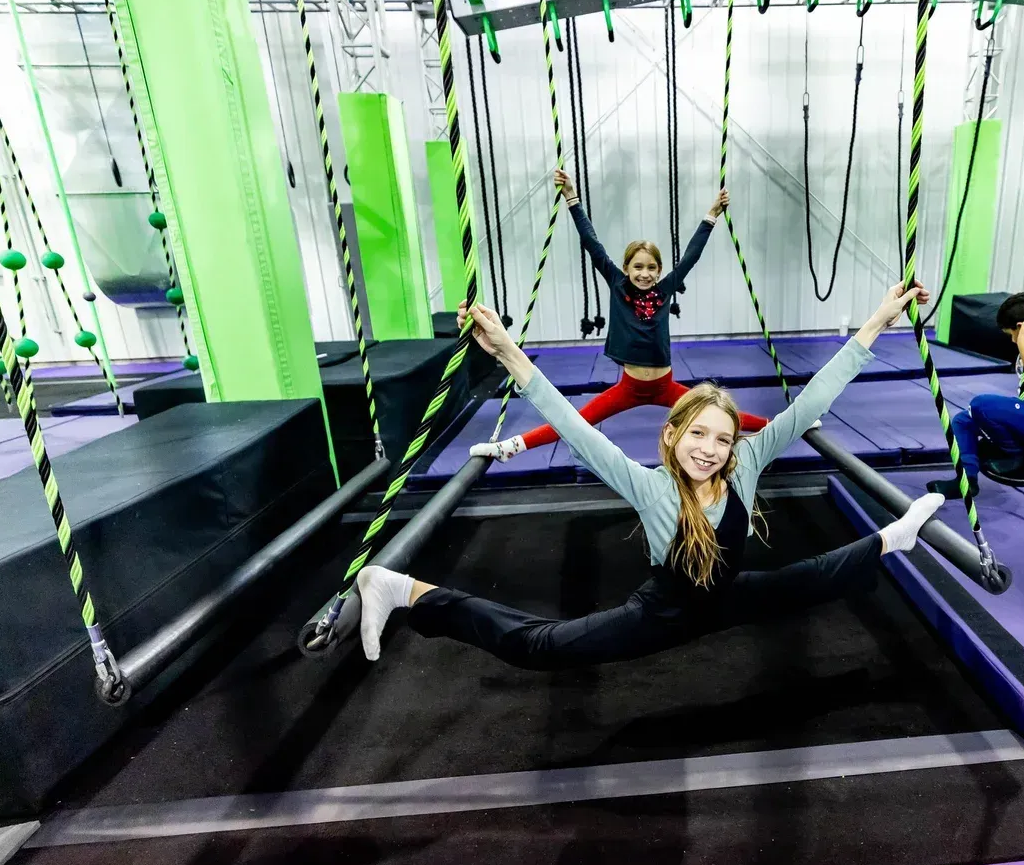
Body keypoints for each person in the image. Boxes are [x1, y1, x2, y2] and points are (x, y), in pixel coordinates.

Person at [357, 281, 947, 669]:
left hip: (723, 599)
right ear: (671, 434)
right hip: (660, 613)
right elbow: (572, 424)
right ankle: (402, 589)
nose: (710, 449)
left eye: (722, 438)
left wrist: (876, 321)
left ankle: (897, 535)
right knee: (537, 646)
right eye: (697, 435)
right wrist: (509, 352)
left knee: (811, 577)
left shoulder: (747, 467)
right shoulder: (650, 486)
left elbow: (814, 400)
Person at [469, 169, 768, 461]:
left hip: (666, 387)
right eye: (638, 267)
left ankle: (779, 426)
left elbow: (691, 256)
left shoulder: (664, 292)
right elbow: (592, 244)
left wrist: (711, 215)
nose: (645, 273)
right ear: (626, 269)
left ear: (659, 271)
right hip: (629, 388)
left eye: (651, 268)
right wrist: (571, 197)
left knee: (721, 415)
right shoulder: (617, 284)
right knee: (572, 422)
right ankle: (510, 447)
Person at [929, 289, 1024, 498]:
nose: (1012, 341)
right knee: (964, 421)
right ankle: (966, 480)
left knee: (981, 405)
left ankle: (1015, 453)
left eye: (1011, 334)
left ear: (1022, 327)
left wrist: (1022, 341)